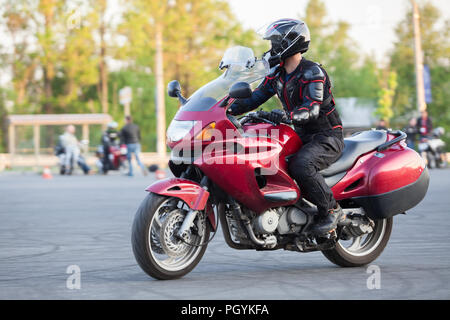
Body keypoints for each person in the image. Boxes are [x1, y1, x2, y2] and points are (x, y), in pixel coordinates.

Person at [228, 19, 345, 236]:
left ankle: (331, 210)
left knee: (301, 165)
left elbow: (311, 110)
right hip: (300, 136)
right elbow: (253, 99)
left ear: (291, 43)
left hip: (326, 137)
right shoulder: (277, 74)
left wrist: (285, 115)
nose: (271, 48)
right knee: (272, 162)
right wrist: (223, 108)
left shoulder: (312, 72)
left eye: (275, 42)